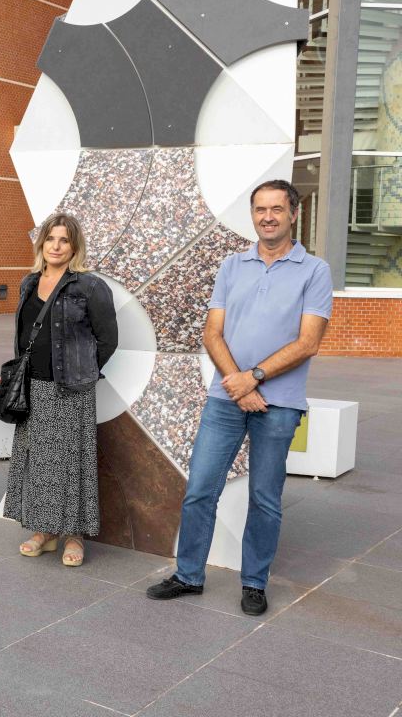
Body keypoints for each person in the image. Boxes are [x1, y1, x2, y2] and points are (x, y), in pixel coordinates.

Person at [147, 180, 332, 615]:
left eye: (276, 209)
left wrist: (254, 378)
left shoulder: (315, 270)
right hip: (225, 398)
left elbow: (308, 342)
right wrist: (237, 382)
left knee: (265, 498)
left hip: (279, 403)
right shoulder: (232, 265)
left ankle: (254, 583)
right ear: (252, 215)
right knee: (200, 489)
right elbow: (212, 333)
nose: (267, 217)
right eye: (260, 209)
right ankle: (188, 575)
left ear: (293, 214)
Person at [3, 213, 117, 567]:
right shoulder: (28, 283)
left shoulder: (90, 287)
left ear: (74, 246)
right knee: (38, 462)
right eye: (50, 239)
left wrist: (81, 370)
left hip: (71, 389)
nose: (56, 246)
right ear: (41, 244)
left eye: (64, 240)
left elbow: (108, 339)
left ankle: (75, 535)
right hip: (33, 386)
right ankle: (45, 531)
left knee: (71, 463)